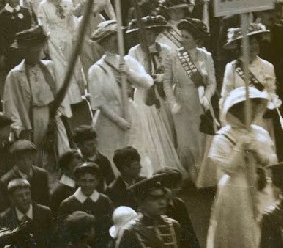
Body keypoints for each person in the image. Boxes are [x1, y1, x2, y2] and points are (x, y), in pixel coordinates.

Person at [206, 87, 276, 248]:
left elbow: (271, 160)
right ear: (235, 111)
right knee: (242, 231)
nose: (252, 113)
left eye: (254, 108)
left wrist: (258, 153)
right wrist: (240, 146)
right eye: (247, 109)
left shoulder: (260, 133)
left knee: (265, 227)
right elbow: (228, 168)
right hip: (236, 190)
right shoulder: (223, 137)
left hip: (261, 186)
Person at [126, 15, 184, 177]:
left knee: (166, 124)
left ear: (156, 33)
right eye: (143, 34)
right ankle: (154, 163)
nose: (147, 37)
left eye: (151, 33)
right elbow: (132, 75)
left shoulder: (165, 50)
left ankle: (169, 161)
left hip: (162, 92)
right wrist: (146, 80)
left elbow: (171, 73)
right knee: (147, 126)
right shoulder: (134, 52)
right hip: (144, 94)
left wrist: (159, 78)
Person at [87, 20, 154, 160]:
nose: (118, 43)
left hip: (130, 113)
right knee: (113, 154)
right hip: (109, 120)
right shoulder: (96, 70)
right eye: (114, 40)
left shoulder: (128, 61)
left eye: (119, 39)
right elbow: (98, 102)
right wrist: (118, 121)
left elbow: (148, 83)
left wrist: (129, 73)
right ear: (104, 43)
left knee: (134, 153)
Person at [2, 26, 71, 160]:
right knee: (36, 153)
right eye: (32, 52)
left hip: (51, 114)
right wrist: (18, 127)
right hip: (31, 118)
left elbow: (59, 93)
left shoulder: (49, 67)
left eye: (38, 51)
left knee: (59, 150)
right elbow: (10, 104)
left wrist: (60, 114)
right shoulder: (15, 75)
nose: (36, 55)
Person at [164, 18, 216, 184]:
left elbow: (212, 82)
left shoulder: (206, 56)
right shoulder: (173, 56)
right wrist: (172, 102)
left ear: (197, 39)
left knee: (202, 138)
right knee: (185, 142)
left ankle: (204, 177)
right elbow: (166, 82)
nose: (182, 40)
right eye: (182, 36)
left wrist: (207, 97)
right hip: (182, 103)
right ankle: (191, 176)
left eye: (186, 37)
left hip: (201, 103)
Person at [37, 0, 86, 109]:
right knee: (59, 68)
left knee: (72, 64)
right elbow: (43, 24)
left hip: (67, 36)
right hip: (53, 38)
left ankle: (76, 97)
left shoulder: (68, 3)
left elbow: (71, 22)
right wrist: (47, 39)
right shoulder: (43, 5)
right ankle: (64, 99)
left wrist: (74, 36)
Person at [115, 176, 187, 248]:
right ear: (141, 202)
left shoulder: (174, 226)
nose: (162, 202)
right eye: (155, 198)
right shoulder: (130, 232)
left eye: (163, 197)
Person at [57, 162, 114, 248]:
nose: (87, 185)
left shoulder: (105, 201)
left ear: (97, 181)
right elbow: (62, 233)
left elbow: (111, 228)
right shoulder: (67, 204)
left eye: (91, 181)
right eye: (83, 181)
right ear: (77, 181)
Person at [0, 178, 54, 248]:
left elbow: (53, 242)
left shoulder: (45, 213)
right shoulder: (4, 218)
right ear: (11, 198)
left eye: (27, 194)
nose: (25, 198)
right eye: (20, 195)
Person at [0, 140, 51, 208]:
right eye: (22, 159)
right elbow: (4, 208)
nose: (26, 162)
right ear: (15, 160)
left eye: (29, 158)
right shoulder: (6, 180)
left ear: (33, 158)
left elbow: (46, 202)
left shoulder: (42, 175)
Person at [75, 125, 116, 190]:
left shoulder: (103, 160)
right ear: (79, 145)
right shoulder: (72, 161)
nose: (94, 146)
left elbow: (111, 183)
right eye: (89, 145)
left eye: (95, 143)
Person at [107, 146, 146, 210]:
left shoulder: (144, 182)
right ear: (125, 168)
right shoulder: (113, 190)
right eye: (137, 164)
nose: (140, 167)